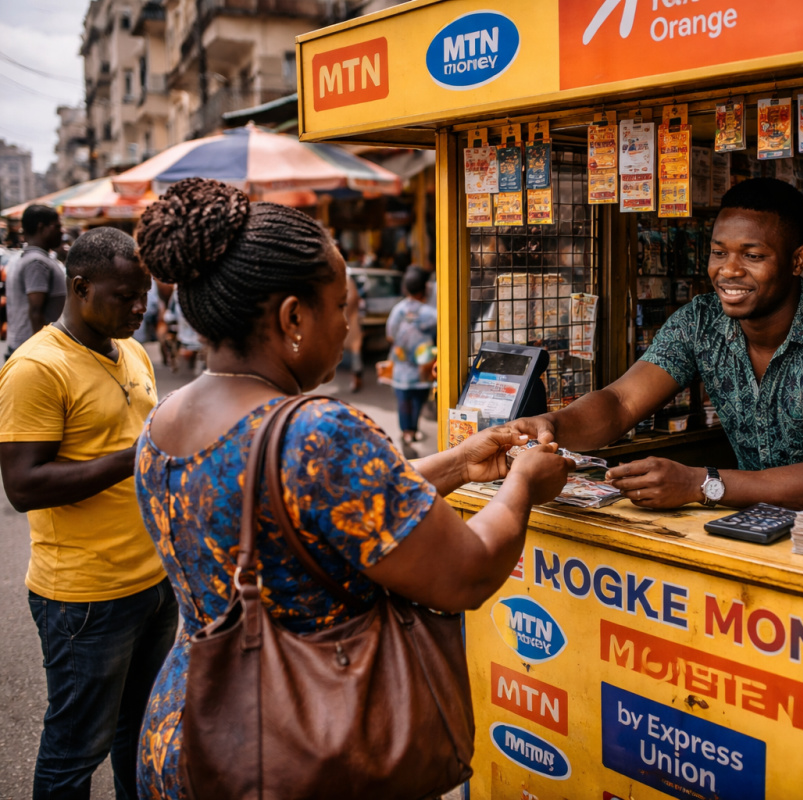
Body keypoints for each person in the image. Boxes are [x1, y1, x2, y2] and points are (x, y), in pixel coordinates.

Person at [131, 178, 571, 799]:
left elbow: (295, 511)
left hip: (195, 727)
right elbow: (467, 573)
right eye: (341, 305)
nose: (349, 323)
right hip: (305, 742)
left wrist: (457, 465)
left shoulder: (163, 419)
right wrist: (523, 482)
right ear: (292, 318)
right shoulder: (317, 432)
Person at [513, 177, 803, 510]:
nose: (729, 270)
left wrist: (700, 484)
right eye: (719, 253)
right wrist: (552, 425)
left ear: (798, 260)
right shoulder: (701, 321)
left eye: (752, 255)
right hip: (761, 523)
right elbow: (621, 403)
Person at [0, 227, 176, 800]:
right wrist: (136, 457)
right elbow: (23, 485)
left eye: (143, 295)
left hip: (152, 582)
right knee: (75, 750)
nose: (138, 308)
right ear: (78, 287)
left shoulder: (132, 349)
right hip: (85, 598)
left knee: (140, 734)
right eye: (124, 296)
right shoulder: (36, 368)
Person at [385, 267, 437, 448]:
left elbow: (390, 334)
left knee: (403, 400)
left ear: (406, 289)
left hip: (401, 366)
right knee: (418, 400)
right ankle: (413, 430)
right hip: (422, 368)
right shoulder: (430, 313)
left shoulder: (398, 310)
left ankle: (406, 431)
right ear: (424, 289)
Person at [6, 204, 66, 355]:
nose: (62, 231)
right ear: (42, 228)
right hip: (34, 351)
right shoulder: (37, 263)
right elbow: (36, 312)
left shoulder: (23, 258)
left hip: (24, 347)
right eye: (57, 226)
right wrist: (43, 352)